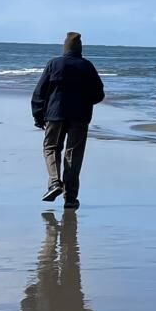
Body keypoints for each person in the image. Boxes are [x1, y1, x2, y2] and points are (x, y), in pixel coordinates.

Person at [31, 31, 105, 209]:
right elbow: (99, 94)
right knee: (74, 154)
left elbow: (39, 92)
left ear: (65, 48)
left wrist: (38, 116)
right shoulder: (87, 66)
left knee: (51, 148)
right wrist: (85, 101)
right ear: (80, 49)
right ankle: (70, 198)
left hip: (55, 115)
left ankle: (54, 183)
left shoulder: (54, 64)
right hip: (80, 117)